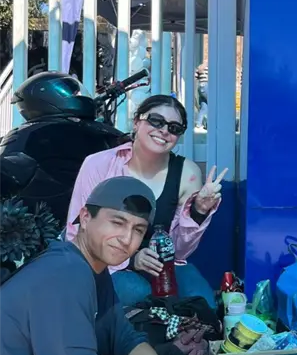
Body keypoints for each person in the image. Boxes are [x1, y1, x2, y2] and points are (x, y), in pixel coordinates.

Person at [0, 176, 237, 355]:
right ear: (86, 217)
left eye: (138, 230)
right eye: (117, 222)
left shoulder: (90, 266)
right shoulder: (64, 274)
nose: (127, 240)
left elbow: (122, 337)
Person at [66, 95, 226, 307]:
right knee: (136, 294)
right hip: (107, 263)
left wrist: (198, 211)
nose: (164, 131)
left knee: (203, 303)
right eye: (156, 121)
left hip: (163, 267)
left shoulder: (187, 173)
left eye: (174, 127)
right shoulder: (99, 164)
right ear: (136, 122)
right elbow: (76, 232)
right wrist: (130, 260)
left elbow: (179, 251)